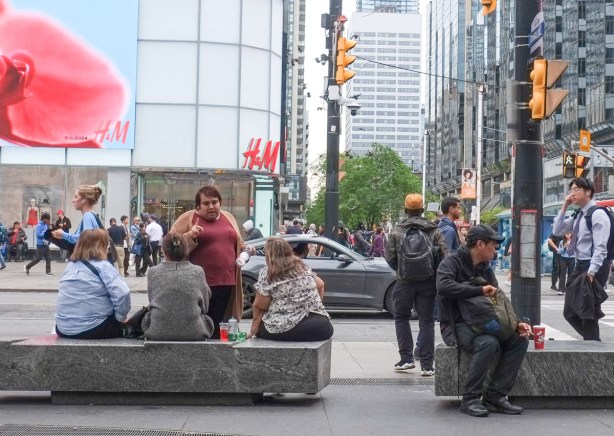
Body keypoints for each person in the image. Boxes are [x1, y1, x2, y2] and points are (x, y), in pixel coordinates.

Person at [436, 224, 531, 417]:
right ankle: (470, 399)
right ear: (480, 244)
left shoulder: (486, 269)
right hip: (457, 325)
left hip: (485, 322)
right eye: (493, 245)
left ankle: (495, 396)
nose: (496, 250)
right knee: (488, 342)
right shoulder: (452, 262)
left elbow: (500, 301)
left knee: (519, 339)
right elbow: (443, 287)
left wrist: (516, 324)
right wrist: (479, 290)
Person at [170, 185, 248, 339]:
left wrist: (246, 249)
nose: (211, 206)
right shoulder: (188, 218)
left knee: (220, 325)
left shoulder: (229, 217)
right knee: (200, 324)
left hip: (227, 281)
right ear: (198, 206)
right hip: (198, 283)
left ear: (220, 203)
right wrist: (190, 235)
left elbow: (238, 243)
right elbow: (171, 245)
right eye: (206, 203)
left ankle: (216, 357)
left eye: (214, 202)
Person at [384, 194, 447, 376]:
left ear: (406, 210)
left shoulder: (397, 231)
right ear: (422, 209)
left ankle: (406, 360)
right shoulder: (434, 230)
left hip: (404, 282)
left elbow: (389, 256)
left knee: (401, 318)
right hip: (427, 282)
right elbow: (445, 256)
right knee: (426, 321)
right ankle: (427, 365)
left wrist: (402, 270)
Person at [553, 177, 611, 341]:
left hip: (594, 266)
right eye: (571, 189)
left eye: (576, 189)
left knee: (588, 313)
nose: (572, 193)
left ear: (588, 192)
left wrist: (592, 272)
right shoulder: (579, 215)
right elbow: (558, 230)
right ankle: (593, 343)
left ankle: (593, 346)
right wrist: (565, 206)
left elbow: (601, 247)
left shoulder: (598, 214)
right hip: (580, 265)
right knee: (570, 312)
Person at [248, 237, 332, 341]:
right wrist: (314, 306)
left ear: (269, 256)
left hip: (285, 329)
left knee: (263, 328)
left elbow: (260, 306)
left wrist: (253, 330)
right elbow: (321, 285)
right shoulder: (302, 267)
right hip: (321, 328)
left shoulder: (268, 273)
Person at [55, 228, 131, 339]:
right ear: (102, 246)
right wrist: (120, 318)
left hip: (63, 329)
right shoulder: (103, 266)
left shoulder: (71, 266)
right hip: (94, 327)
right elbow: (123, 293)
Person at [142, 232, 214, 341]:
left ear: (163, 251)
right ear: (186, 249)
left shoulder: (153, 272)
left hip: (157, 331)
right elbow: (205, 307)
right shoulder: (198, 271)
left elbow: (152, 300)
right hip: (194, 332)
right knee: (206, 320)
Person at [557, 232, 575, 296]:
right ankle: (561, 289)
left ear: (571, 234)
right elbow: (559, 252)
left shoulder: (574, 241)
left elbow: (576, 251)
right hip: (563, 259)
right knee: (562, 274)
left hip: (572, 259)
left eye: (569, 233)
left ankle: (569, 289)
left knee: (571, 274)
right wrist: (564, 247)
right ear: (564, 235)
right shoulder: (562, 242)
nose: (568, 235)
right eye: (566, 234)